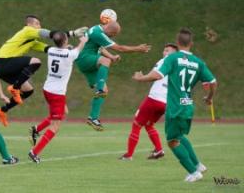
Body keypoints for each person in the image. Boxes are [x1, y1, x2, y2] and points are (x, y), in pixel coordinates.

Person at [132, 28, 217, 182]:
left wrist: (141, 78)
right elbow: (213, 82)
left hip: (175, 107)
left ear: (178, 43)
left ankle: (193, 172)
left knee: (172, 141)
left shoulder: (172, 58)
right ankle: (198, 165)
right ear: (191, 43)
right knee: (179, 136)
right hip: (188, 105)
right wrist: (209, 97)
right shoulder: (198, 62)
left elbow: (157, 75)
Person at [0, 15, 87, 126]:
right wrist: (72, 33)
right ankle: (15, 88)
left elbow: (49, 49)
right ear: (29, 24)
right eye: (37, 23)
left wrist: (65, 49)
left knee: (28, 91)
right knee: (36, 62)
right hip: (3, 61)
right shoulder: (27, 30)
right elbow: (50, 34)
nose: (39, 26)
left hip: (5, 68)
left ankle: (2, 110)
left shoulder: (32, 41)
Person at [75, 21, 151, 131]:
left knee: (105, 90)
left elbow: (100, 48)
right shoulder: (98, 33)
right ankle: (100, 89)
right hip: (85, 58)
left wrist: (112, 57)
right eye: (113, 34)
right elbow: (119, 48)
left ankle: (93, 118)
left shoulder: (96, 29)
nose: (113, 36)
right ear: (111, 31)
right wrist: (137, 48)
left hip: (85, 62)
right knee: (105, 61)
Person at [28, 32, 88, 163]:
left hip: (48, 89)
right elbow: (79, 48)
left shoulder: (51, 50)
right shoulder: (70, 54)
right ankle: (34, 152)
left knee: (64, 112)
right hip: (57, 93)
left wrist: (68, 46)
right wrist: (84, 39)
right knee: (56, 126)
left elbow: (64, 50)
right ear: (65, 41)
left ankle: (36, 129)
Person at [120, 43, 178, 161]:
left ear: (174, 53)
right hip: (166, 102)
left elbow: (155, 76)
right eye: (164, 50)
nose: (164, 53)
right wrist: (144, 76)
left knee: (136, 124)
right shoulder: (178, 65)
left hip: (154, 98)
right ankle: (159, 150)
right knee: (149, 124)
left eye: (167, 50)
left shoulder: (164, 61)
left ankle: (129, 155)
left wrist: (140, 78)